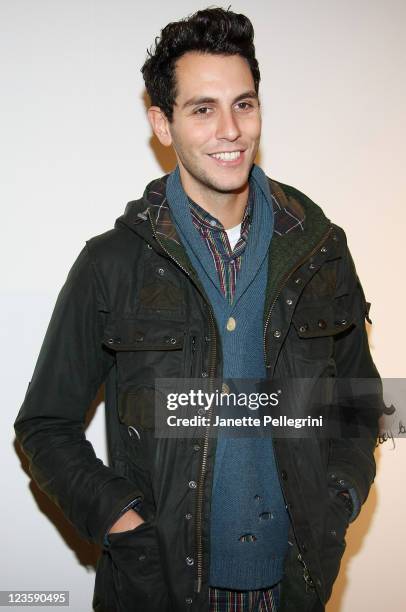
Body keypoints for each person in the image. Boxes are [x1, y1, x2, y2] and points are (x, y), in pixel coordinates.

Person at [14, 7, 382, 612]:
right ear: (163, 124)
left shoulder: (321, 250)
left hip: (293, 586)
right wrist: (123, 524)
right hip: (161, 589)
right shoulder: (113, 265)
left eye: (244, 103)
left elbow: (360, 408)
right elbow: (44, 426)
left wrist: (333, 502)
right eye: (202, 109)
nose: (230, 130)